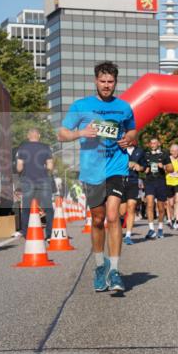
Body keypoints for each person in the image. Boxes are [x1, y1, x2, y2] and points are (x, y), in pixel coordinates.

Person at [58, 61, 137, 292]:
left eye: (110, 82)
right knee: (97, 219)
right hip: (92, 170)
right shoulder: (81, 106)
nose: (106, 85)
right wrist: (81, 132)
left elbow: (133, 130)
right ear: (95, 81)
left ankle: (114, 270)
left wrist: (129, 138)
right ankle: (100, 266)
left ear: (116, 82)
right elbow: (62, 134)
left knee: (113, 216)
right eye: (102, 81)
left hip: (116, 167)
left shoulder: (124, 107)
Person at [15, 127, 56, 241]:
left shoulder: (22, 148)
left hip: (27, 181)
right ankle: (49, 235)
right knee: (48, 208)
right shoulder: (45, 147)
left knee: (26, 209)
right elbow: (50, 166)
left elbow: (19, 168)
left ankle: (26, 234)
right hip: (43, 181)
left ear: (28, 136)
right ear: (39, 136)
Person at [142, 137, 171, 239]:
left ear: (158, 144)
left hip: (161, 182)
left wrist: (163, 166)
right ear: (150, 145)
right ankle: (151, 229)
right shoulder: (146, 155)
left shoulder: (164, 154)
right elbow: (143, 167)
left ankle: (160, 228)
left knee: (161, 207)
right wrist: (144, 169)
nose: (153, 144)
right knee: (149, 204)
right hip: (149, 181)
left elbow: (171, 168)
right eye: (151, 143)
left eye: (155, 143)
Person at [120, 139, 147, 244]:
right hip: (120, 181)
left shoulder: (140, 151)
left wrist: (139, 167)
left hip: (133, 181)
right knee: (121, 212)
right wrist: (126, 163)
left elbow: (144, 166)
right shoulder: (119, 149)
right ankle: (119, 226)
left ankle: (128, 235)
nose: (129, 140)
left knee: (131, 207)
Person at [165, 143, 178, 230]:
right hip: (168, 182)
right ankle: (171, 219)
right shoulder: (167, 159)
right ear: (170, 151)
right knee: (171, 203)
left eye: (177, 151)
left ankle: (177, 221)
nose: (175, 152)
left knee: (177, 200)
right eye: (173, 151)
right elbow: (164, 169)